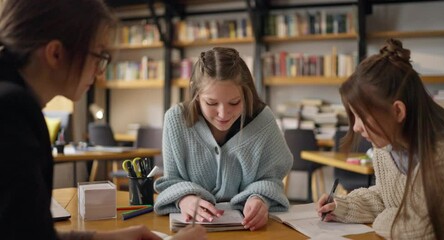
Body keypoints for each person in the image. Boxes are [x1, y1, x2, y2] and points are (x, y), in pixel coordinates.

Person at [0, 0, 206, 239]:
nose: (100, 71)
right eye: (98, 56)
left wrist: (105, 238)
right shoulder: (11, 110)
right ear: (55, 53)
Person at [316, 38, 444, 240]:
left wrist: (385, 218)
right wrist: (342, 206)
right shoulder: (386, 145)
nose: (355, 127)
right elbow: (387, 196)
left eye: (362, 117)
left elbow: (425, 230)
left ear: (398, 111)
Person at [153, 47, 293, 231]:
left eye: (234, 103)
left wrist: (260, 198)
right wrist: (184, 198)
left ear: (246, 93)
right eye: (211, 103)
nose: (223, 114)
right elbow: (171, 180)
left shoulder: (263, 121)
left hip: (250, 233)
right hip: (192, 231)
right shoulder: (176, 119)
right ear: (196, 93)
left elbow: (271, 179)